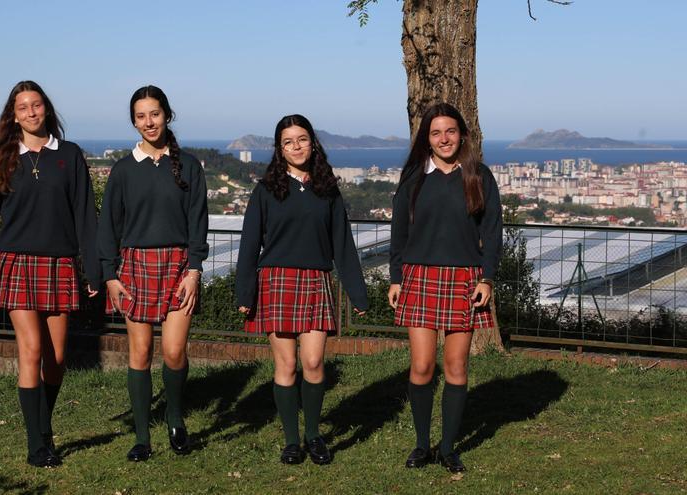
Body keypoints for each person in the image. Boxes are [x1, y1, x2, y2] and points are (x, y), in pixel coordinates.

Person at [0, 80, 100, 468]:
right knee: (32, 350)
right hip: (16, 264)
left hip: (60, 264)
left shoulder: (69, 156)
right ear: (13, 115)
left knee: (56, 359)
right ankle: (36, 445)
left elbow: (85, 216)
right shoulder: (1, 157)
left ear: (47, 109)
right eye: (23, 107)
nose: (31, 112)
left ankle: (45, 427)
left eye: (36, 105)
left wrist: (93, 270)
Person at [235, 114, 368, 465]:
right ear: (280, 149)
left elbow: (343, 244)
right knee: (287, 364)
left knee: (312, 362)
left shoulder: (327, 189)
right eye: (288, 142)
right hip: (276, 282)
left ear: (313, 143)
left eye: (302, 139)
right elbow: (249, 244)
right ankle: (292, 440)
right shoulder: (266, 190)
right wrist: (244, 293)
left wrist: (357, 293)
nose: (296, 147)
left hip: (315, 280)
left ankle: (313, 435)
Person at [388, 102, 503, 473]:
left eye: (450, 131)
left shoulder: (479, 177)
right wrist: (395, 277)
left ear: (462, 135)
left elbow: (492, 233)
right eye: (436, 132)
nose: (444, 138)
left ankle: (449, 448)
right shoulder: (412, 180)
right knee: (421, 367)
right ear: (427, 138)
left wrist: (486, 277)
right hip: (418, 277)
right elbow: (398, 235)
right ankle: (422, 445)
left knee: (456, 367)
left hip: (464, 279)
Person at [97, 85, 208, 462]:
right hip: (134, 269)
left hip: (179, 267)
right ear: (133, 121)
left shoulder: (189, 165)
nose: (149, 122)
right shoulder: (123, 170)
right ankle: (142, 437)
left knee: (174, 352)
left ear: (167, 115)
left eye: (155, 114)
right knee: (140, 352)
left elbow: (198, 222)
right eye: (141, 116)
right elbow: (108, 227)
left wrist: (194, 270)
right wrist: (110, 275)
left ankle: (175, 419)